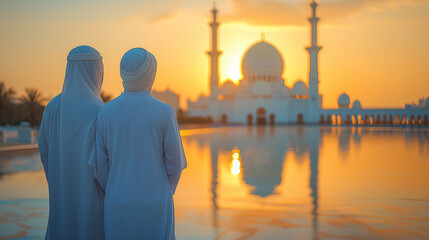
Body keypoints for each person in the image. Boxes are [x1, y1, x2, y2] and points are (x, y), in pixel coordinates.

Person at [90, 47, 187, 240]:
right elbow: (175, 164)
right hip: (156, 202)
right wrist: (164, 191)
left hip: (117, 201)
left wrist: (116, 188)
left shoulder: (106, 112)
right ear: (151, 73)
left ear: (123, 72)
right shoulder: (164, 112)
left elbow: (100, 166)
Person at [38, 45, 105, 240]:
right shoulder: (101, 112)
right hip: (93, 201)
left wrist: (60, 180)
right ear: (96, 71)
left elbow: (44, 152)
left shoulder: (52, 107)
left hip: (61, 195)